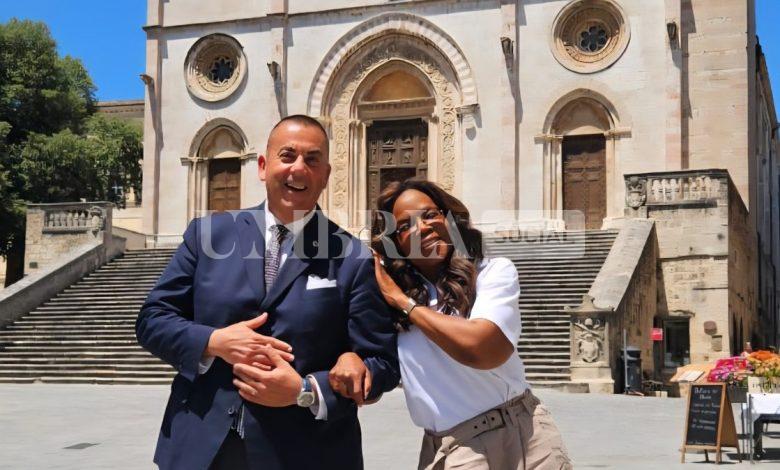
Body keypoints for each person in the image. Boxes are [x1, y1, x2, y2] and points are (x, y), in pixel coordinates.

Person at [136, 115, 400, 470]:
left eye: (312, 159)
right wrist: (214, 341)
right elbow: (152, 320)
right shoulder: (207, 235)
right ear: (263, 166)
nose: (298, 169)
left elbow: (381, 365)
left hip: (307, 452)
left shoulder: (352, 256)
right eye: (287, 155)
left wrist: (306, 390)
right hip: (202, 447)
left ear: (326, 174)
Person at [328, 179, 572, 470]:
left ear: (450, 218)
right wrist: (349, 355)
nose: (423, 229)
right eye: (405, 227)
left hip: (521, 434)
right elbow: (374, 371)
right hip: (449, 447)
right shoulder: (388, 300)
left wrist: (405, 304)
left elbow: (482, 349)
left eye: (430, 214)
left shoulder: (492, 274)